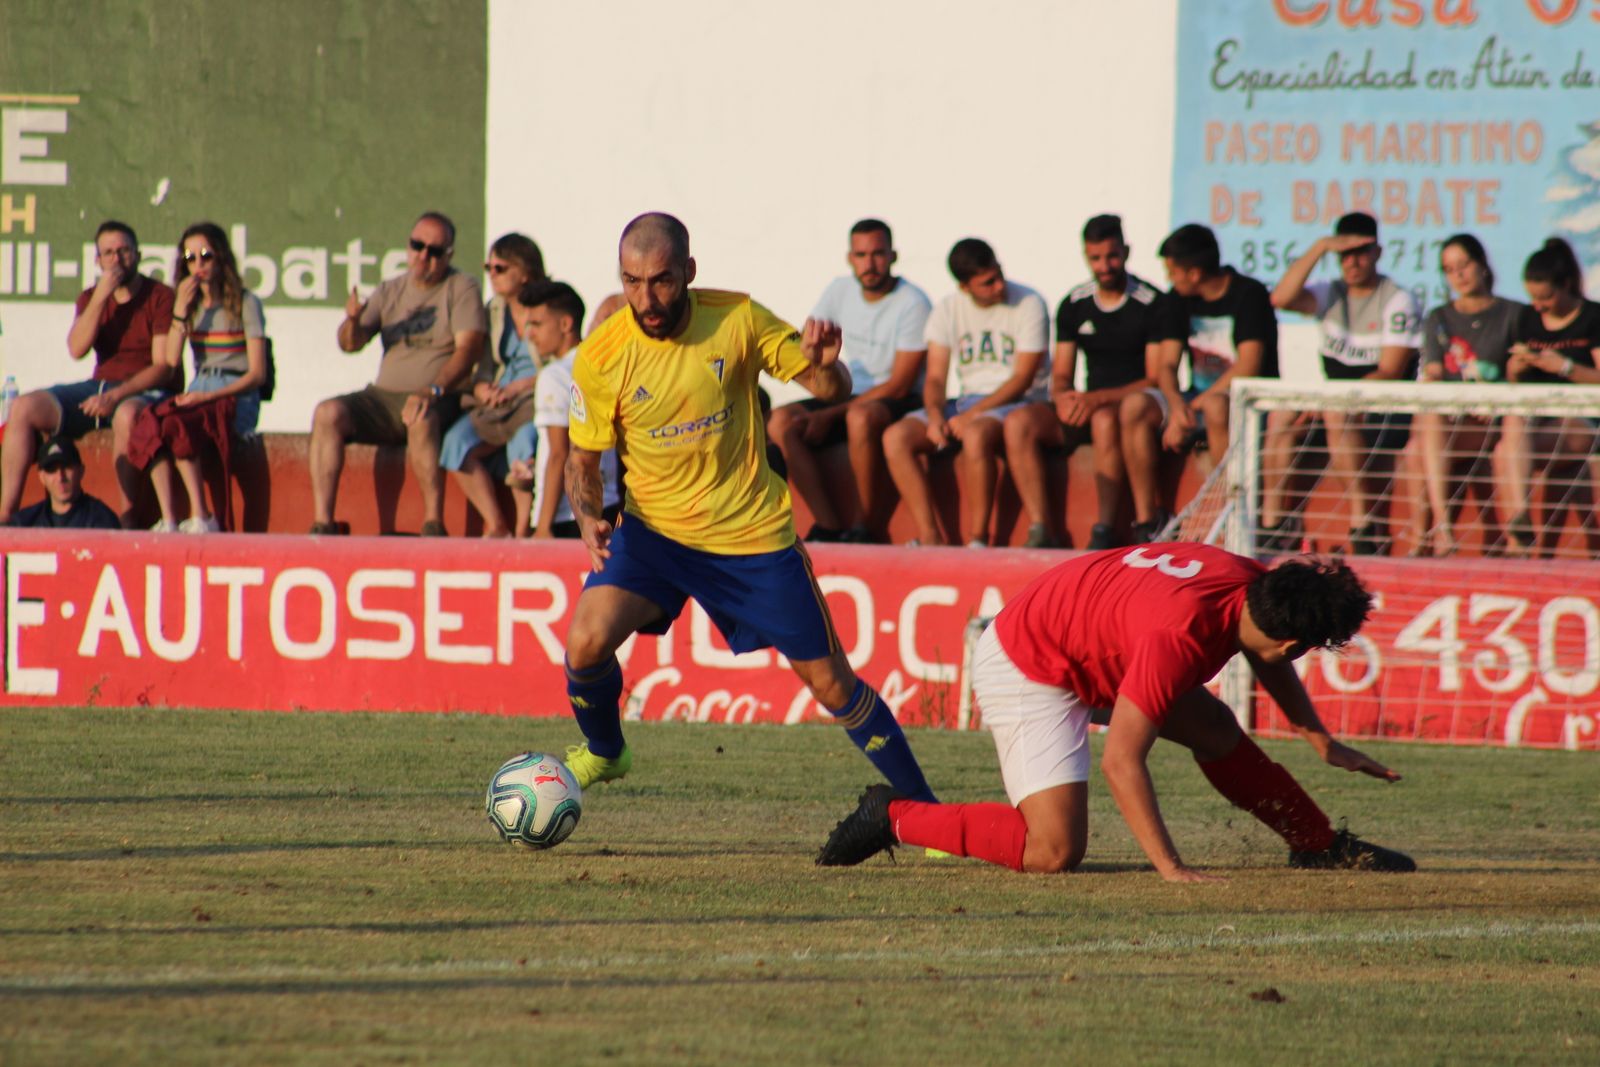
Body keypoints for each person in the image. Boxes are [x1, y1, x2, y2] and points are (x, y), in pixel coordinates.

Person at [559, 212, 936, 806]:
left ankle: (928, 812)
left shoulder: (736, 320)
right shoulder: (603, 354)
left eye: (659, 280)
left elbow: (828, 389)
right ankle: (606, 751)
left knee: (832, 683)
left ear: (687, 271)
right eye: (631, 282)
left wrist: (827, 365)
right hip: (654, 536)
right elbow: (581, 461)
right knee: (584, 644)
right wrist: (587, 515)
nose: (646, 298)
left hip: (750, 539)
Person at [817, 544, 1415, 879]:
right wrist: (1171, 868)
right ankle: (892, 813)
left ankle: (1316, 843)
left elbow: (1267, 650)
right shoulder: (1178, 636)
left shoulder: (1253, 583)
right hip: (1030, 662)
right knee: (1053, 852)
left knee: (1213, 727)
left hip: (1080, 629)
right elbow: (1122, 762)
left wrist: (1319, 740)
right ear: (1293, 644)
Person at [310, 211, 487, 535]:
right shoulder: (390, 290)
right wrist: (351, 320)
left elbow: (469, 349)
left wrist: (432, 390)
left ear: (448, 254)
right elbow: (350, 344)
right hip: (382, 397)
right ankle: (323, 522)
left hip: (439, 396)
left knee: (420, 417)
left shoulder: (461, 288)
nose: (424, 256)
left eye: (434, 251)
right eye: (417, 246)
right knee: (327, 413)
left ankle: (433, 523)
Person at [1263, 212, 1422, 555]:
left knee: (1334, 412)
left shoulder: (1397, 298)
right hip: (1337, 407)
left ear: (1378, 252)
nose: (1352, 262)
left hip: (1384, 411)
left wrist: (1331, 401)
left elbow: (1391, 371)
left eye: (1361, 252)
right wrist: (1319, 247)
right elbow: (1281, 299)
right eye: (1344, 254)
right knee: (1282, 416)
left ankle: (1363, 523)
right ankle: (1273, 524)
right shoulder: (1330, 293)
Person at [0, 221, 175, 527]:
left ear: (138, 254)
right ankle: (6, 515)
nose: (117, 260)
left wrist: (116, 395)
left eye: (124, 252)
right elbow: (76, 348)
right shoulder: (92, 297)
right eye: (108, 253)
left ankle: (128, 517)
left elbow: (163, 368)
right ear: (98, 260)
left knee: (125, 416)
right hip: (98, 386)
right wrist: (100, 297)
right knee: (23, 407)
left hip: (140, 390)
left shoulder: (159, 296)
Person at [1004, 215, 1161, 549]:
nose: (1104, 266)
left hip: (1130, 407)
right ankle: (1040, 528)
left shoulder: (1150, 302)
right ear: (1085, 257)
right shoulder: (1074, 304)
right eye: (1095, 258)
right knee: (1020, 423)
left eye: (1112, 256)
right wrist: (1063, 398)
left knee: (1105, 419)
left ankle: (1104, 528)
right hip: (1088, 406)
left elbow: (1155, 376)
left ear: (1127, 252)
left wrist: (1097, 399)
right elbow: (1061, 374)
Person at [768, 219, 930, 543]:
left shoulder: (913, 301)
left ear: (893, 255)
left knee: (860, 418)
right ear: (850, 258)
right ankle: (828, 524)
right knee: (780, 422)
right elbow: (809, 344)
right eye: (861, 255)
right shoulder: (839, 289)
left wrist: (827, 415)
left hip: (895, 398)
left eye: (877, 254)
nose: (869, 264)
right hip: (847, 390)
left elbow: (900, 383)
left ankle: (863, 526)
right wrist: (815, 357)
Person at [882, 238, 1049, 546]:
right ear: (964, 287)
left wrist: (972, 415)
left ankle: (978, 539)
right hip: (966, 400)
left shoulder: (1029, 302)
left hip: (1019, 402)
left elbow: (1022, 379)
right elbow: (934, 378)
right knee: (896, 438)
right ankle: (930, 536)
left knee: (975, 433)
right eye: (987, 283)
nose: (999, 286)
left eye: (999, 274)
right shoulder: (947, 309)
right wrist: (934, 417)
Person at [1119, 224, 1279, 543]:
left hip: (1242, 400)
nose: (1170, 280)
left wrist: (1191, 407)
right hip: (1194, 399)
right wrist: (1177, 407)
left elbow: (1248, 365)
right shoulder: (1177, 300)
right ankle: (1148, 522)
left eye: (1173, 272)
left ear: (1194, 273)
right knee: (1135, 406)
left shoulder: (1249, 294)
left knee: (1218, 406)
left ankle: (1227, 517)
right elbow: (1166, 365)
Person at [132, 222, 269, 533]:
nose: (199, 265)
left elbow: (257, 373)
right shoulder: (190, 306)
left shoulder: (245, 303)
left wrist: (208, 397)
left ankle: (203, 515)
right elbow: (169, 360)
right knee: (153, 423)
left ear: (221, 258)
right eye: (190, 258)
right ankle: (168, 518)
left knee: (181, 423)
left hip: (235, 391)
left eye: (206, 256)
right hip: (200, 385)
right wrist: (180, 310)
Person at [1416, 234, 1522, 557]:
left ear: (1482, 265)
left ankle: (1513, 539)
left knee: (1417, 448)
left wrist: (1495, 399)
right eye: (1449, 269)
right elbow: (1433, 372)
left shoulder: (1513, 314)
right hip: (1455, 422)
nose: (1458, 275)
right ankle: (1441, 531)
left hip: (1500, 420)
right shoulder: (1439, 317)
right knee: (1423, 431)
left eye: (1464, 265)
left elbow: (1521, 370)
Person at [439, 233, 546, 537]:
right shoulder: (494, 310)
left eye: (500, 268)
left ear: (524, 271)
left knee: (522, 444)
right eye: (489, 268)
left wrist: (519, 388)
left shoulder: (548, 306)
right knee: (455, 443)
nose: (492, 275)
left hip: (536, 394)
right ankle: (497, 523)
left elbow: (561, 365)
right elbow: (485, 365)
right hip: (500, 399)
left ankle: (525, 529)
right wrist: (481, 386)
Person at [1504, 238, 1600, 555]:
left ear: (1565, 285)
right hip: (1537, 418)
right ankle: (1520, 523)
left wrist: (1565, 367)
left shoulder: (1592, 317)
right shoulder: (1527, 319)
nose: (1539, 306)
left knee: (1508, 452)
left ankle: (1521, 542)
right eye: (1533, 298)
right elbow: (1515, 382)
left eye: (1545, 297)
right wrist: (1517, 368)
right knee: (1512, 431)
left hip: (1582, 420)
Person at [506, 279, 621, 537]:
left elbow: (559, 454)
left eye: (537, 324)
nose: (530, 334)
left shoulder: (554, 375)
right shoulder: (603, 367)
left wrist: (543, 527)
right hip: (607, 507)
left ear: (565, 324)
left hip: (565, 516)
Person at [4, 435, 121, 529]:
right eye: (52, 470)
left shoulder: (101, 520)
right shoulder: (24, 523)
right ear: (42, 477)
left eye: (67, 467)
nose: (60, 477)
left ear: (81, 471)